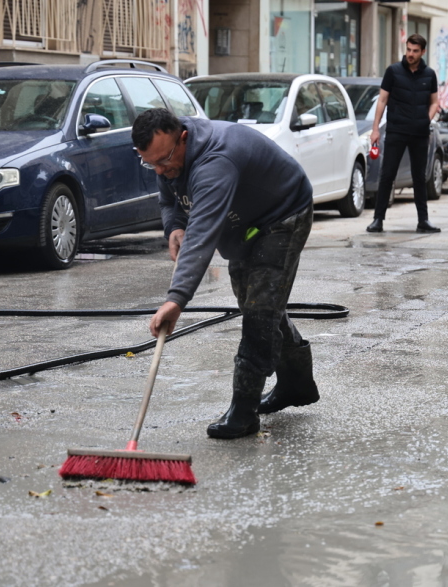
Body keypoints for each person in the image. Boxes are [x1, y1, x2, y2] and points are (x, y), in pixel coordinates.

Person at [133, 108, 319, 439]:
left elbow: (202, 235)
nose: (160, 170)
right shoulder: (169, 155)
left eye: (164, 161)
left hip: (283, 214)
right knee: (257, 304)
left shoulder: (215, 161)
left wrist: (176, 300)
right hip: (244, 223)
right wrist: (174, 226)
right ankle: (296, 384)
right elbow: (171, 195)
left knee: (260, 311)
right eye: (152, 164)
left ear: (184, 138)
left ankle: (244, 412)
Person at [366, 34, 441, 234]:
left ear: (422, 52)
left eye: (415, 51)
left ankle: (423, 221)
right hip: (396, 130)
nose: (410, 54)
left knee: (419, 176)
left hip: (419, 133)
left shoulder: (430, 75)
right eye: (408, 49)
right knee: (387, 174)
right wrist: (375, 129)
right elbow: (382, 100)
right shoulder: (393, 71)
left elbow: (435, 101)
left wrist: (427, 118)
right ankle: (378, 220)